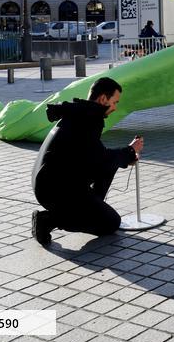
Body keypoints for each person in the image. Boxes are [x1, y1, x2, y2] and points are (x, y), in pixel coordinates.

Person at [31, 77, 143, 246]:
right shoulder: (87, 119)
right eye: (114, 102)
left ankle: (89, 209)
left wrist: (125, 156)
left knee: (110, 165)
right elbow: (100, 159)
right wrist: (129, 151)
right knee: (111, 223)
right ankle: (48, 220)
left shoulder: (82, 113)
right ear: (103, 99)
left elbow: (95, 156)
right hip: (54, 189)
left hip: (54, 181)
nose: (115, 107)